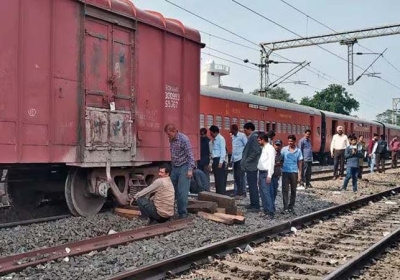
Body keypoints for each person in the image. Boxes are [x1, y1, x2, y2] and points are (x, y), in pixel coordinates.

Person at [164, 124, 195, 219]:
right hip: (175, 167)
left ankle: (182, 213)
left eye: (169, 134)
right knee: (171, 190)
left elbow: (190, 155)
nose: (168, 136)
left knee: (182, 192)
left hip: (184, 166)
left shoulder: (184, 139)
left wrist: (190, 170)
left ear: (174, 131)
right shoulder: (171, 140)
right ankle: (169, 211)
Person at [241, 122, 262, 212]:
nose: (245, 132)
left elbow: (256, 151)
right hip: (251, 166)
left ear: (249, 129)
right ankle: (253, 203)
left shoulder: (253, 137)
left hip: (252, 166)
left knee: (252, 185)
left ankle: (255, 205)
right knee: (251, 185)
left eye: (245, 130)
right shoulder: (254, 137)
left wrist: (247, 160)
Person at [281, 134, 303, 214]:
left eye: (291, 141)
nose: (290, 143)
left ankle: (291, 206)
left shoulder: (298, 151)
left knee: (293, 190)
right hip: (285, 172)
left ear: (294, 141)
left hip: (294, 172)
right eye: (289, 141)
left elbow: (300, 163)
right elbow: (281, 159)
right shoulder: (284, 150)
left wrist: (300, 175)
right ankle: (285, 206)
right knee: (285, 190)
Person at [257, 132, 276, 219]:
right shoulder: (264, 148)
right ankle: (266, 210)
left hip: (266, 173)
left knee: (266, 193)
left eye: (259, 140)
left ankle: (270, 212)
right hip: (261, 172)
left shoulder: (270, 148)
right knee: (262, 192)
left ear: (263, 139)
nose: (258, 141)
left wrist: (269, 175)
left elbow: (271, 163)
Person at [230, 124, 247, 198]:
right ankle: (237, 192)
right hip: (235, 159)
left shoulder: (242, 136)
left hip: (240, 158)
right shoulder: (233, 137)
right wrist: (231, 159)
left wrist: (244, 157)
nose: (230, 131)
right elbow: (234, 149)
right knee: (236, 176)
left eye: (231, 129)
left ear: (234, 129)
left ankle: (243, 192)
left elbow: (246, 146)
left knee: (241, 176)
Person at [209, 125, 227, 195]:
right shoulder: (213, 140)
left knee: (220, 179)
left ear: (215, 132)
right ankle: (218, 193)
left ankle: (221, 194)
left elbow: (223, 151)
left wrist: (221, 162)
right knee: (217, 179)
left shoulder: (221, 139)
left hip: (219, 160)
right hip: (215, 160)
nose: (210, 134)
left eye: (211, 132)